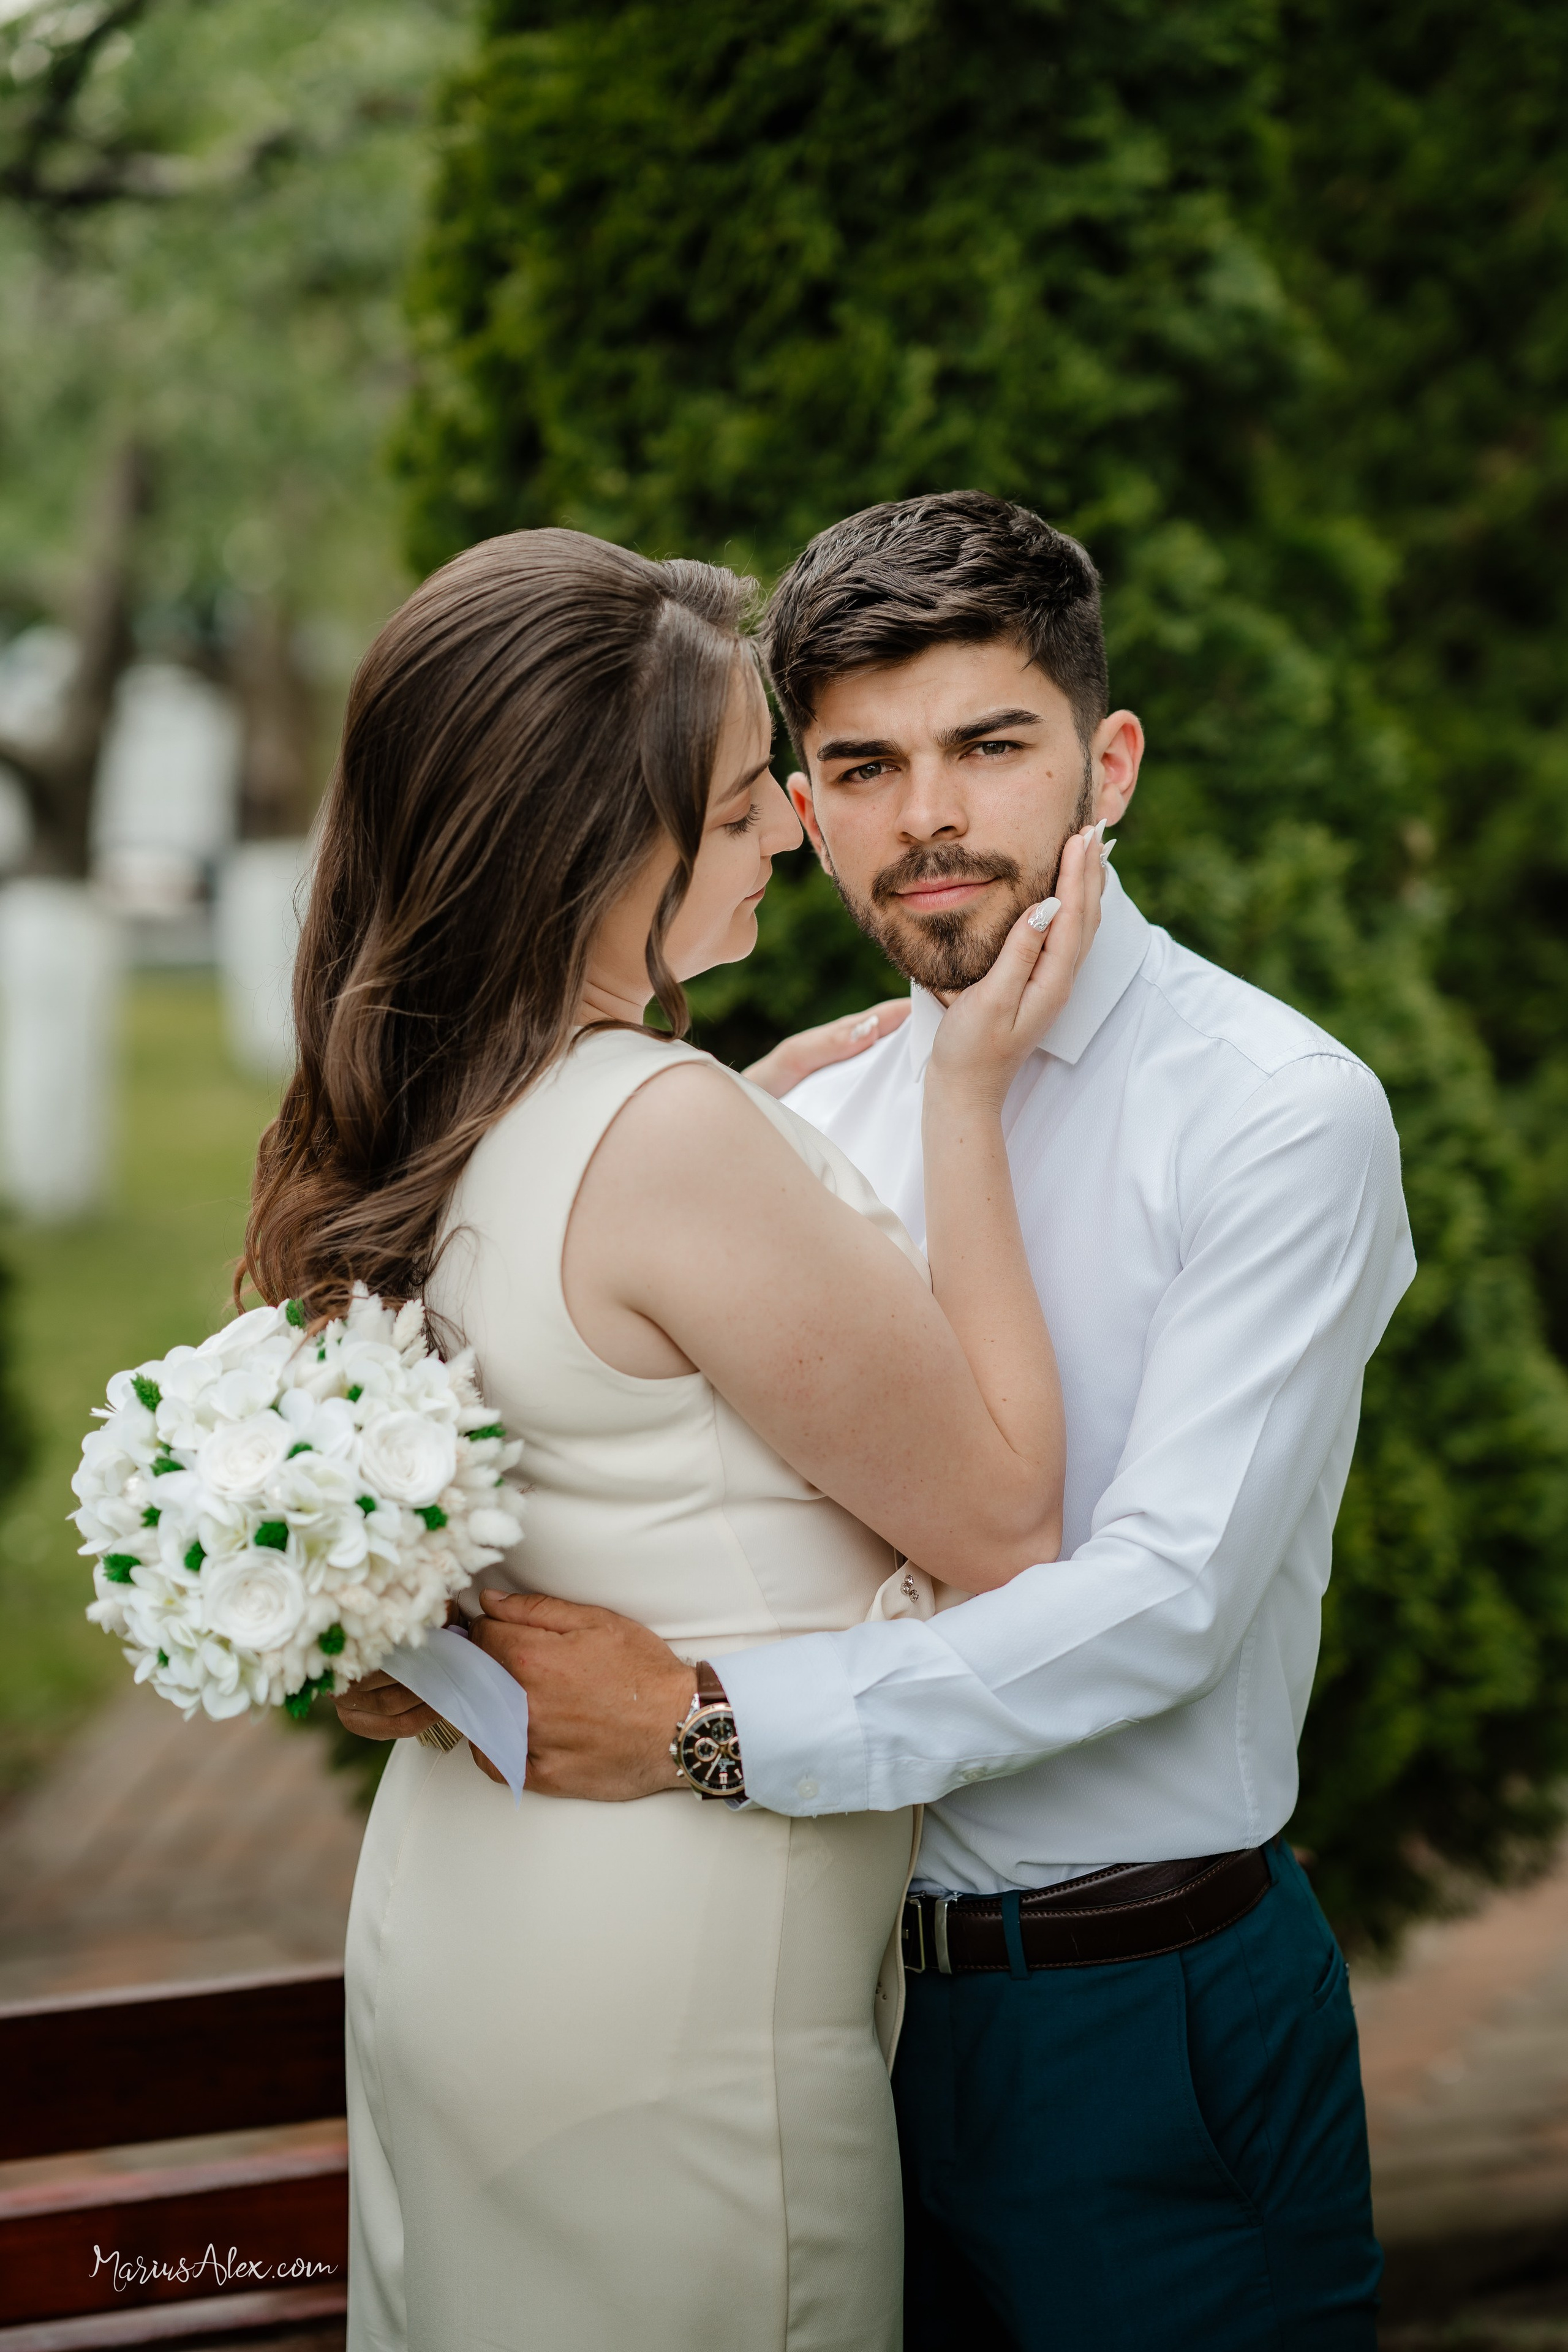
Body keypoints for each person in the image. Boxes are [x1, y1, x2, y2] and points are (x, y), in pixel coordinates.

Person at [462, 492, 1417, 2351]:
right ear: (800, 804)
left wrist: (709, 1729)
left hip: (1143, 2011)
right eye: (864, 766)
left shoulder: (1278, 1115)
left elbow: (1164, 1600)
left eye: (991, 747)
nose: (932, 818)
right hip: (823, 2023)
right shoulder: (792, 1127)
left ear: (1107, 761)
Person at [267, 525, 1106, 2352]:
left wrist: (743, 1107)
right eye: (744, 807)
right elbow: (1009, 1521)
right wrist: (959, 1098)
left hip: (480, 1915)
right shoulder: (669, 1139)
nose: (799, 832)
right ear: (605, 850)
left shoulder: (449, 1106)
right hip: (671, 1991)